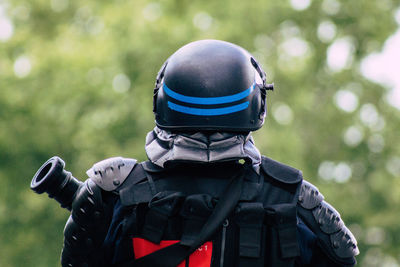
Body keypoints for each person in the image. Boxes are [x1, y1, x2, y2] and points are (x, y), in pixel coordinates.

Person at [36, 39, 359, 267]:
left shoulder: (111, 190)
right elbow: (343, 259)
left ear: (162, 101)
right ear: (256, 102)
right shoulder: (293, 196)